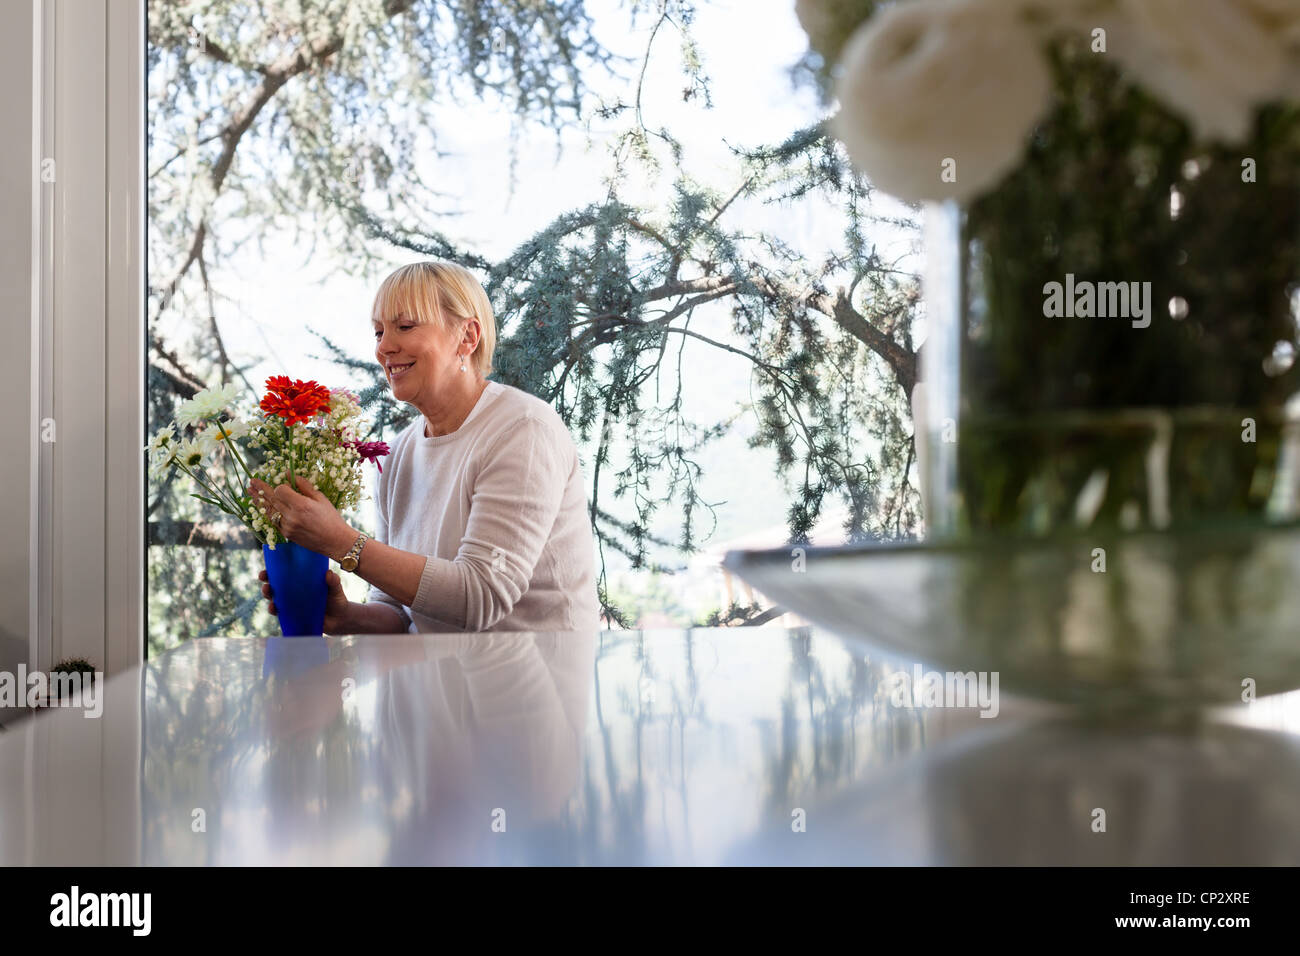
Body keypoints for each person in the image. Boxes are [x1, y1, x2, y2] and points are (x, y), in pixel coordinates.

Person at [251, 260, 599, 634]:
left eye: (405, 326)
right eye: (379, 332)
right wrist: (347, 617)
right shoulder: (399, 455)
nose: (384, 347)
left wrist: (342, 541)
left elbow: (481, 597)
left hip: (531, 685)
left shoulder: (523, 430)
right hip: (438, 687)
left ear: (467, 337)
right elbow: (400, 613)